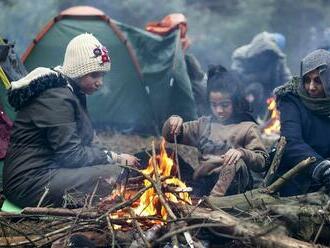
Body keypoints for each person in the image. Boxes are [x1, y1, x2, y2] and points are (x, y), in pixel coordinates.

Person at [3, 33, 139, 208]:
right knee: (113, 174)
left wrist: (109, 156)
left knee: (115, 173)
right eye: (94, 75)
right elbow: (71, 155)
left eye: (102, 75)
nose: (100, 83)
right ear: (78, 70)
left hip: (47, 171)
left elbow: (80, 144)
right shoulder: (56, 97)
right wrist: (115, 158)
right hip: (28, 183)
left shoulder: (69, 90)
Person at [162, 66, 268, 196]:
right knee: (167, 154)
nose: (219, 110)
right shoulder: (204, 124)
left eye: (224, 105)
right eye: (214, 105)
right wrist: (173, 121)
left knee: (234, 162)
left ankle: (215, 200)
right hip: (202, 180)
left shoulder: (247, 128)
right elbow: (170, 136)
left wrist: (242, 153)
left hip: (232, 186)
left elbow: (262, 161)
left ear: (235, 102)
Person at [274, 49, 330, 196]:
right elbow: (291, 142)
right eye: (307, 80)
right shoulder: (291, 99)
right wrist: (321, 168)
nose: (311, 87)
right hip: (295, 177)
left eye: (318, 80)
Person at [231, 31, 292, 119]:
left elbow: (285, 77)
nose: (265, 58)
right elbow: (236, 77)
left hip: (269, 95)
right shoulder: (241, 56)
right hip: (246, 94)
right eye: (264, 54)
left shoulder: (276, 59)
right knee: (256, 88)